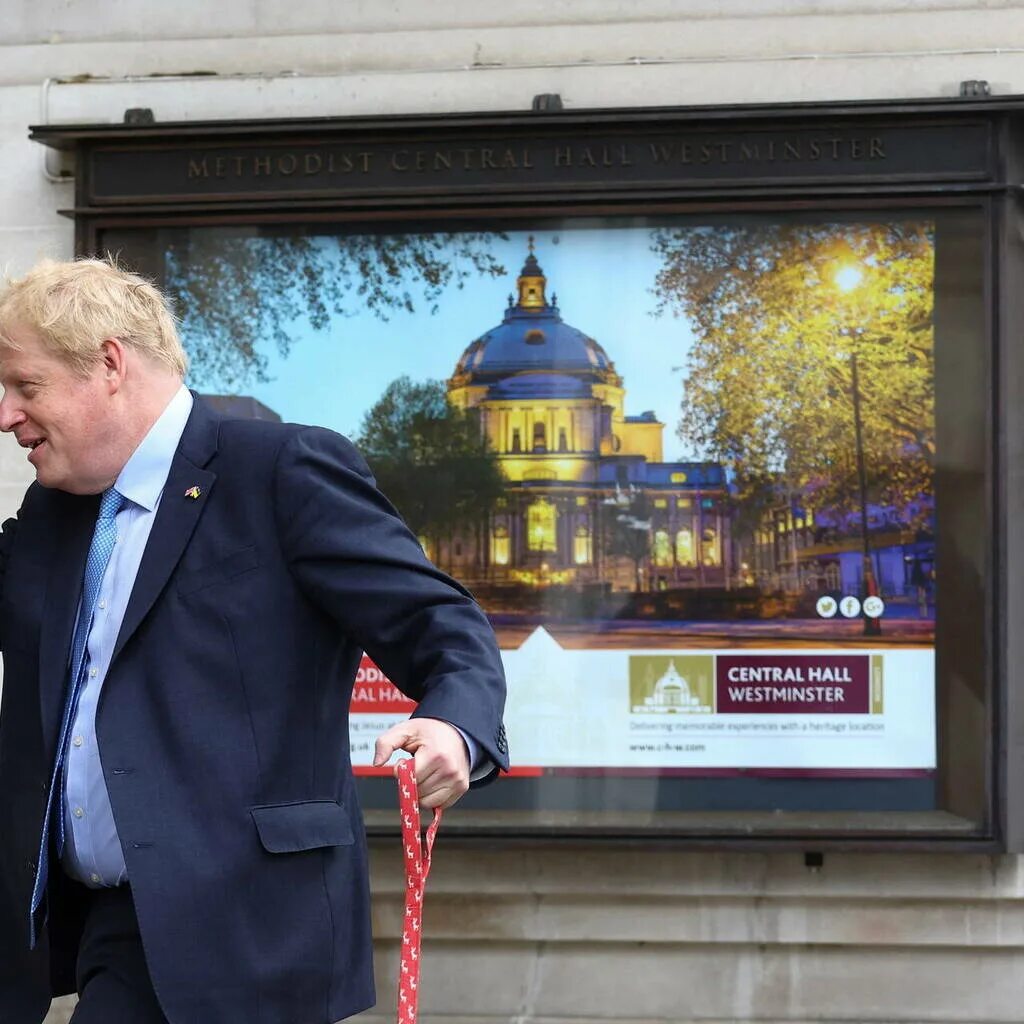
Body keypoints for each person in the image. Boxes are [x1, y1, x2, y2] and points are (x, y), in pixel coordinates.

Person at [0, 258, 509, 1024]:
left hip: (247, 931)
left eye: (25, 387)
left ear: (109, 364)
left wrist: (456, 725)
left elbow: (441, 623)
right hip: (104, 924)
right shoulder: (56, 506)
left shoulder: (280, 471)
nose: (6, 415)